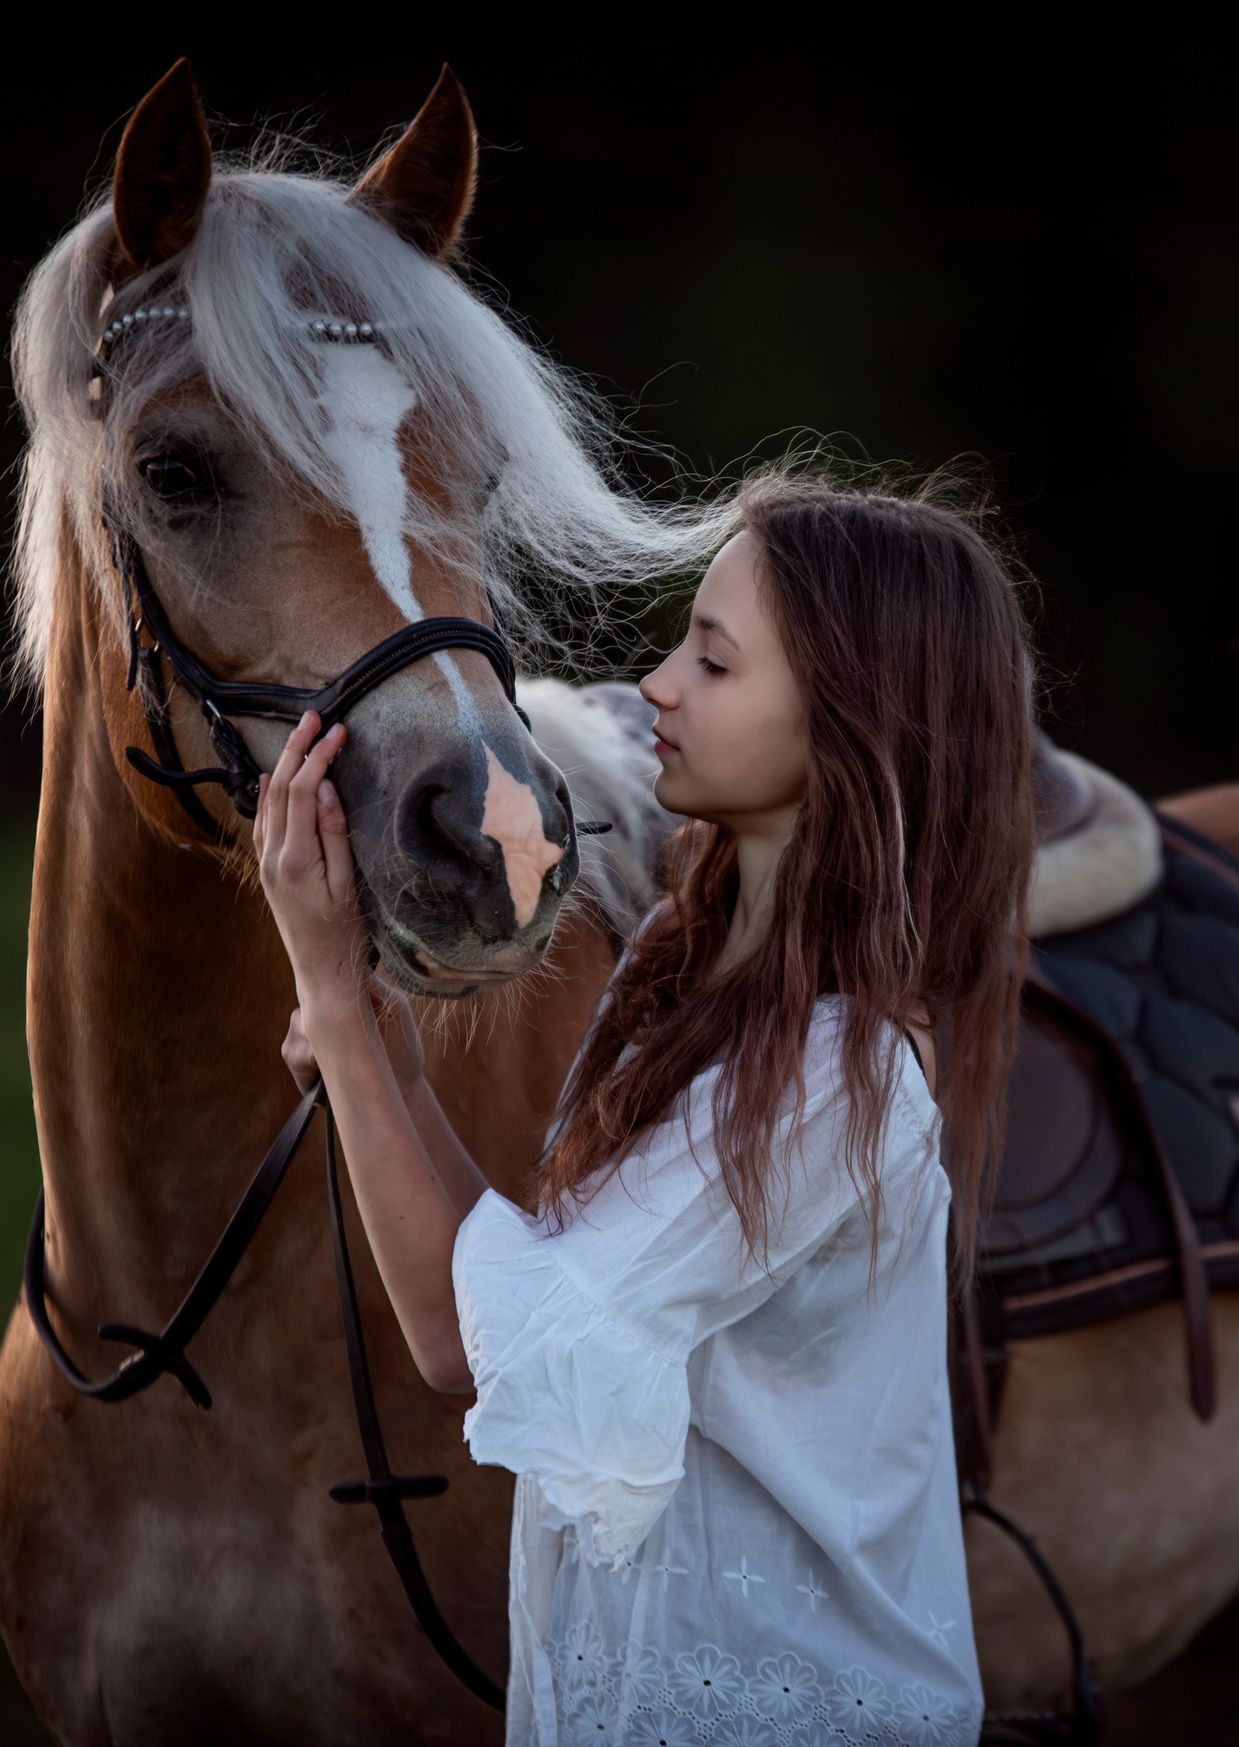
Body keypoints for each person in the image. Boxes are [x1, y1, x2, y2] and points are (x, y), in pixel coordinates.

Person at [258, 475, 1036, 1746]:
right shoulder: (684, 965)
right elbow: (530, 1276)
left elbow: (469, 1343)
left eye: (714, 662)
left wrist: (336, 1003)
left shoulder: (845, 1077)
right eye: (682, 642)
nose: (657, 684)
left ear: (848, 724)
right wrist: (389, 1065)